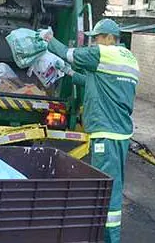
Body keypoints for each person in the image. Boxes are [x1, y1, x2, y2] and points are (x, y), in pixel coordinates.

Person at [42, 19, 139, 243]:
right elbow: (93, 82)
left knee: (108, 190)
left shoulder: (103, 54)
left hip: (107, 132)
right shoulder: (128, 58)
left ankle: (108, 238)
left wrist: (49, 39)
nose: (94, 42)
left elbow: (70, 53)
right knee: (109, 185)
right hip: (118, 132)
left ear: (109, 38)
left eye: (96, 38)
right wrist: (67, 73)